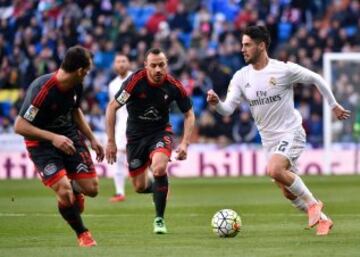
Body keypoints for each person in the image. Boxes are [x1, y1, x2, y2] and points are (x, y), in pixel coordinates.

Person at [207, 25, 351, 236]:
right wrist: (216, 103)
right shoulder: (240, 77)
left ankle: (313, 204)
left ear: (261, 45)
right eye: (242, 45)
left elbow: (316, 79)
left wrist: (333, 105)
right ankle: (324, 221)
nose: (242, 49)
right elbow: (227, 110)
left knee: (274, 169)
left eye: (247, 45)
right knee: (285, 189)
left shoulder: (283, 70)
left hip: (291, 132)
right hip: (269, 141)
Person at [14, 46, 104, 247]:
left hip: (69, 137)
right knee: (64, 192)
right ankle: (83, 234)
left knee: (92, 189)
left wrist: (92, 138)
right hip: (41, 144)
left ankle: (74, 189)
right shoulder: (42, 89)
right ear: (80, 70)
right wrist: (53, 138)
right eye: (87, 70)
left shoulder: (76, 85)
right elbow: (19, 126)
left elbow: (75, 111)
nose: (87, 74)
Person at [105, 48, 195, 234]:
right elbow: (112, 107)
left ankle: (159, 219)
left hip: (160, 133)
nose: (157, 70)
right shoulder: (134, 82)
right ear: (145, 66)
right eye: (153, 65)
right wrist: (111, 141)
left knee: (159, 168)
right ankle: (160, 188)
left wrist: (185, 142)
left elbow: (189, 114)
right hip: (136, 137)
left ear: (167, 64)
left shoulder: (174, 85)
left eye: (161, 65)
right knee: (139, 187)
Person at [108, 53, 132, 203]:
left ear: (128, 63)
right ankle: (119, 192)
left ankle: (160, 185)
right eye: (118, 61)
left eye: (124, 61)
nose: (121, 64)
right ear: (114, 65)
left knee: (144, 157)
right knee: (118, 158)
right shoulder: (112, 85)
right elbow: (112, 109)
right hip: (121, 126)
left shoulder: (135, 78)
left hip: (137, 124)